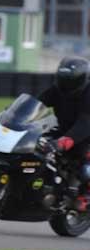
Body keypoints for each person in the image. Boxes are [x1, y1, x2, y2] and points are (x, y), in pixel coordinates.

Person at [38, 56, 90, 212]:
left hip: (86, 133)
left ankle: (86, 195)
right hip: (64, 130)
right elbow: (38, 104)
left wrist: (64, 141)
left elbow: (85, 124)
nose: (67, 85)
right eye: (63, 80)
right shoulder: (57, 89)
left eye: (71, 81)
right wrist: (14, 116)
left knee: (85, 160)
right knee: (37, 147)